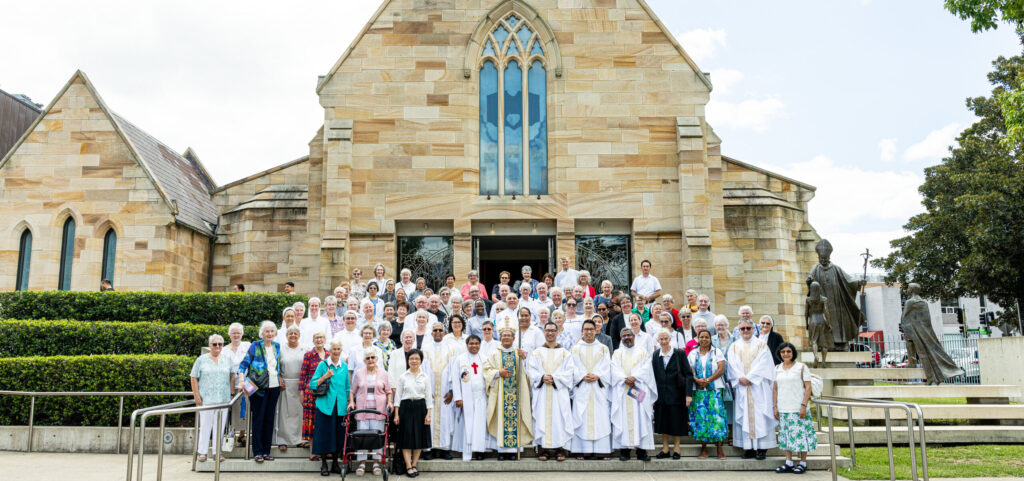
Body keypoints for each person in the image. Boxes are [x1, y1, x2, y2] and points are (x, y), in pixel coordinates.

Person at [728, 318, 777, 460]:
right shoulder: (734, 346)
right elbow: (732, 365)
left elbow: (764, 364)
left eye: (748, 328)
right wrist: (740, 378)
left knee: (761, 415)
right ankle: (748, 448)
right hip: (742, 387)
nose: (745, 331)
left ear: (753, 329)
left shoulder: (762, 345)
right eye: (742, 328)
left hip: (758, 387)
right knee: (745, 416)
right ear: (738, 330)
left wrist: (750, 377)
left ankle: (762, 448)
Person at [237, 321, 285, 463]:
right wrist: (241, 382)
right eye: (267, 331)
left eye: (272, 331)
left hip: (274, 387)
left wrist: (280, 378)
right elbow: (243, 365)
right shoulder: (255, 345)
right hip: (258, 389)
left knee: (269, 420)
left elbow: (276, 366)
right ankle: (257, 452)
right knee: (258, 419)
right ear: (262, 333)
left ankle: (266, 451)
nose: (269, 334)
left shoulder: (277, 346)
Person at [483, 327, 533, 460]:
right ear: (499, 339)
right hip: (501, 394)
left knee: (516, 420)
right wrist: (498, 373)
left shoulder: (519, 353)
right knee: (501, 419)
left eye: (508, 336)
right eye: (503, 335)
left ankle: (513, 451)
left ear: (513, 338)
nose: (506, 338)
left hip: (517, 394)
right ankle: (501, 451)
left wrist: (525, 358)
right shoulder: (494, 354)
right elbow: (486, 370)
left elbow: (528, 371)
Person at [528, 322, 575, 461]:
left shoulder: (565, 353)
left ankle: (561, 449)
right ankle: (544, 449)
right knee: (542, 417)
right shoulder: (536, 352)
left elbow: (569, 372)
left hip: (558, 392)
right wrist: (542, 377)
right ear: (544, 332)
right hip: (542, 392)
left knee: (560, 418)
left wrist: (555, 378)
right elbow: (531, 371)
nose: (550, 333)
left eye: (553, 331)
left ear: (557, 332)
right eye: (547, 330)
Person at [610, 328, 657, 461]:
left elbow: (646, 368)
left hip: (638, 390)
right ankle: (625, 451)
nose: (627, 337)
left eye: (629, 335)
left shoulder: (643, 352)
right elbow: (614, 369)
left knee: (642, 419)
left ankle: (642, 451)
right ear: (621, 338)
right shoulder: (617, 353)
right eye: (624, 336)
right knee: (623, 419)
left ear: (634, 336)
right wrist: (625, 378)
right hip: (623, 390)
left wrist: (634, 377)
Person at [569, 320, 612, 460]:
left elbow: (607, 367)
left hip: (598, 388)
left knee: (601, 418)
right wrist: (582, 375)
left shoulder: (603, 348)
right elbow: (572, 367)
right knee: (581, 418)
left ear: (596, 330)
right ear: (582, 331)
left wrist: (598, 375)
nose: (588, 332)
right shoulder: (575, 349)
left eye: (591, 329)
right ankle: (582, 450)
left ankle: (602, 450)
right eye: (586, 329)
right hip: (582, 387)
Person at [309, 340, 352, 476]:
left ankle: (334, 463)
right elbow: (312, 384)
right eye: (333, 349)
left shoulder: (344, 366)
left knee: (338, 436)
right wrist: (325, 376)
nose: (336, 351)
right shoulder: (323, 365)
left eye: (338, 349)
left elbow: (347, 387)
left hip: (340, 407)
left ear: (341, 350)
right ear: (330, 350)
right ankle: (323, 464)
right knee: (323, 435)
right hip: (325, 406)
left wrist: (349, 402)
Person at [773, 342, 817, 474]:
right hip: (783, 408)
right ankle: (789, 462)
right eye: (783, 352)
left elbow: (808, 387)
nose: (786, 354)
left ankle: (803, 462)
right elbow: (775, 389)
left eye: (788, 351)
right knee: (786, 435)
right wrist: (775, 407)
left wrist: (803, 405)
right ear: (780, 354)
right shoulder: (777, 368)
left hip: (798, 407)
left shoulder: (801, 367)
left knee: (801, 435)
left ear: (793, 353)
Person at [190, 334, 234, 463]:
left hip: (223, 399)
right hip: (206, 399)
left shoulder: (227, 359)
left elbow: (232, 376)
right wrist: (196, 396)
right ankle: (202, 453)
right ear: (210, 346)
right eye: (215, 344)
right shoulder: (201, 360)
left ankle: (217, 452)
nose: (217, 346)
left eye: (220, 344)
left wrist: (231, 394)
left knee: (219, 427)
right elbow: (194, 377)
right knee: (205, 426)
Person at [351, 346, 393, 476]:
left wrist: (390, 402)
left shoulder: (383, 374)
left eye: (372, 357)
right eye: (367, 358)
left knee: (377, 438)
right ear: (364, 360)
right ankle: (362, 463)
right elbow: (352, 391)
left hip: (378, 411)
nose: (370, 360)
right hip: (363, 411)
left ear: (377, 359)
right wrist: (352, 402)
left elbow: (388, 391)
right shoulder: (359, 373)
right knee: (362, 437)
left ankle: (376, 462)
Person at [688, 329, 729, 459]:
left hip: (714, 391)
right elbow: (689, 370)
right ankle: (704, 448)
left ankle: (719, 448)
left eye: (706, 337)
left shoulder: (717, 352)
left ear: (710, 339)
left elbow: (721, 369)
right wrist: (697, 380)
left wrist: (708, 380)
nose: (704, 339)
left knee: (717, 418)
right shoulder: (693, 353)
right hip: (699, 392)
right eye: (701, 337)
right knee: (701, 419)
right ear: (698, 339)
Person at [651, 328, 692, 460]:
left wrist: (688, 394)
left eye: (665, 339)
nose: (663, 341)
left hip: (677, 394)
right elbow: (653, 376)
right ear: (658, 341)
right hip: (661, 395)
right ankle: (665, 448)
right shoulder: (656, 355)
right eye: (661, 339)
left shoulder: (679, 353)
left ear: (670, 339)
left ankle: (677, 448)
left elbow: (688, 375)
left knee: (677, 421)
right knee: (663, 422)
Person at [450, 335, 492, 461]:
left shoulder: (485, 359)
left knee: (480, 425)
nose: (474, 346)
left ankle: (480, 451)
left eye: (476, 343)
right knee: (467, 425)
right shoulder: (460, 359)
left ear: (480, 345)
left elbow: (489, 377)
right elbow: (455, 380)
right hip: (466, 397)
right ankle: (467, 452)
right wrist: (458, 397)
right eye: (471, 343)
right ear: (466, 345)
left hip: (481, 397)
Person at [422, 322, 457, 460]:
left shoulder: (451, 349)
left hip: (445, 392)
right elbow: (423, 371)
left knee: (445, 418)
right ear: (431, 333)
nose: (437, 332)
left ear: (444, 333)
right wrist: (425, 390)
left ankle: (444, 449)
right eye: (435, 330)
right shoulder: (425, 349)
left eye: (440, 330)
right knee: (429, 418)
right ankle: (428, 449)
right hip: (430, 391)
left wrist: (452, 390)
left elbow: (454, 371)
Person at [394, 349, 431, 478]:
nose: (414, 361)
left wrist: (428, 414)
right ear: (408, 360)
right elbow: (397, 397)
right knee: (406, 438)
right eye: (411, 359)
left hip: (420, 408)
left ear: (421, 361)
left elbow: (428, 398)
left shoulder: (425, 377)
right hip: (406, 408)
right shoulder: (403, 377)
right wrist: (396, 414)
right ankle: (408, 466)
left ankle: (414, 464)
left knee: (419, 437)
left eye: (416, 359)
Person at [274, 326, 306, 451]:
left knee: (299, 413)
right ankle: (283, 440)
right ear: (286, 336)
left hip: (300, 385)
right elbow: (275, 366)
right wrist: (279, 379)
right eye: (290, 333)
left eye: (295, 333)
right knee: (284, 413)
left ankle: (300, 440)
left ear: (299, 335)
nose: (293, 335)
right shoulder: (281, 349)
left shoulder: (305, 349)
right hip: (285, 384)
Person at [299, 331, 330, 455]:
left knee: (324, 420)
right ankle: (312, 451)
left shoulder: (329, 354)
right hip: (311, 393)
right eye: (316, 338)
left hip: (327, 392)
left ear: (325, 339)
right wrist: (301, 393)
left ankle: (325, 449)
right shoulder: (309, 355)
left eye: (321, 337)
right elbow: (303, 375)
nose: (319, 340)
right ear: (313, 340)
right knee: (312, 420)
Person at [224, 323, 251, 446]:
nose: (236, 335)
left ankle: (242, 434)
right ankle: (231, 434)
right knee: (233, 409)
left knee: (246, 409)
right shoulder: (224, 350)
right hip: (230, 383)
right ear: (229, 335)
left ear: (242, 334)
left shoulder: (247, 346)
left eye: (238, 333)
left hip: (247, 383)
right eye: (234, 333)